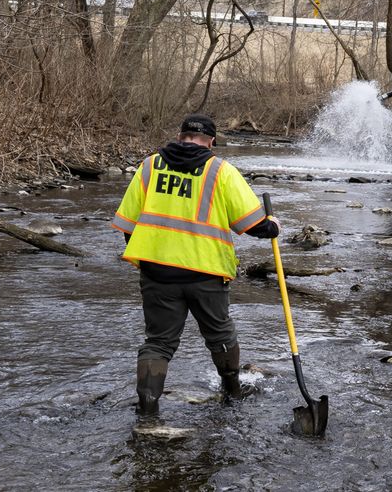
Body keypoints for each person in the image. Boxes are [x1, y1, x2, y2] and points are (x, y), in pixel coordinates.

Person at [111, 114, 279, 415]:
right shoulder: (221, 171)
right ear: (212, 141)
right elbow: (253, 226)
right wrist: (273, 227)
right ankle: (232, 392)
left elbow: (127, 224)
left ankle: (148, 411)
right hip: (206, 272)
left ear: (180, 136)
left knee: (158, 343)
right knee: (220, 335)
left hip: (157, 272)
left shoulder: (149, 166)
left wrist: (148, 262)